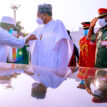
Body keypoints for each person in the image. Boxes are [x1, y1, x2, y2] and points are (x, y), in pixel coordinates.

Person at [26, 3, 73, 68]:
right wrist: (28, 39)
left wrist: (61, 68)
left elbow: (63, 48)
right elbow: (25, 40)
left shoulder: (57, 24)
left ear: (45, 14)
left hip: (53, 68)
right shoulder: (39, 28)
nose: (37, 17)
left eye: (38, 15)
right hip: (40, 69)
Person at [77, 22, 96, 89]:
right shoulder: (81, 40)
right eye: (84, 29)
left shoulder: (95, 39)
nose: (85, 31)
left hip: (93, 67)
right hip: (83, 68)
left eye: (87, 29)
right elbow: (81, 54)